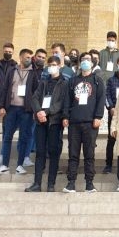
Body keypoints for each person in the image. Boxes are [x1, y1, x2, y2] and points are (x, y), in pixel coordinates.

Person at [62, 52, 106, 193]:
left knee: (89, 154)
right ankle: (71, 183)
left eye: (88, 60)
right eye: (83, 60)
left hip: (90, 123)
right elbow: (67, 99)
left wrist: (98, 117)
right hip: (74, 122)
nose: (86, 62)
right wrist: (65, 116)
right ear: (80, 63)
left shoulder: (98, 81)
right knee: (73, 154)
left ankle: (89, 183)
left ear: (92, 63)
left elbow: (101, 100)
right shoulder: (73, 81)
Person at [0, 49, 39, 175]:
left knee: (24, 137)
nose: (29, 59)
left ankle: (19, 165)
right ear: (21, 57)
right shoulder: (12, 71)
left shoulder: (33, 74)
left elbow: (36, 92)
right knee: (7, 137)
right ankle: (4, 165)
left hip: (26, 111)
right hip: (11, 108)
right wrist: (2, 106)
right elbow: (5, 89)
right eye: (27, 57)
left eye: (30, 57)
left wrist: (35, 110)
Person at [26, 56, 69, 192]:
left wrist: (47, 112)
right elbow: (35, 98)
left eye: (54, 64)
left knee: (53, 152)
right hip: (41, 122)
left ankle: (51, 184)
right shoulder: (43, 82)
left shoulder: (64, 83)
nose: (52, 67)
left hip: (54, 122)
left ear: (60, 66)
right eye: (50, 64)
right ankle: (37, 183)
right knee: (40, 153)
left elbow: (61, 103)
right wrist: (39, 111)